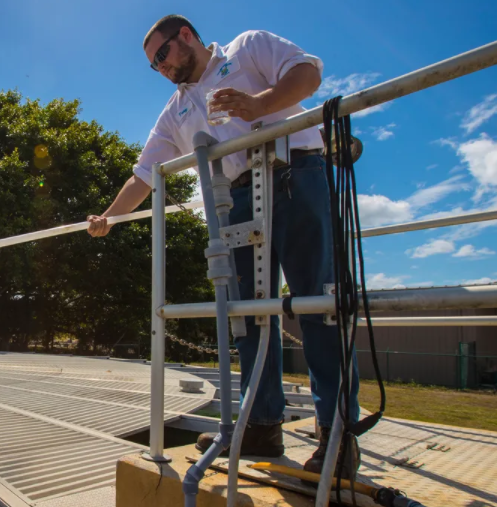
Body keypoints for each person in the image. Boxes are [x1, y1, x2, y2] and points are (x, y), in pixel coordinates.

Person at [86, 14, 361, 475]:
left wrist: (259, 104)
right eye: (153, 65)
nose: (161, 69)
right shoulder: (176, 111)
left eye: (162, 55)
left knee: (318, 304)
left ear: (187, 37)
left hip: (296, 176)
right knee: (247, 317)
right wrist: (109, 218)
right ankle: (261, 426)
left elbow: (308, 73)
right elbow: (146, 174)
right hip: (236, 201)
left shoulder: (247, 48)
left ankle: (337, 435)